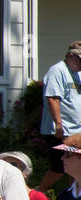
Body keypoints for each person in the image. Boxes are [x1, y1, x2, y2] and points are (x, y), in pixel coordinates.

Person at [41, 42, 81, 182]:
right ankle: (40, 193)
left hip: (76, 129)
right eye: (80, 59)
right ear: (70, 55)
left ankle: (75, 194)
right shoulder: (57, 71)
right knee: (59, 166)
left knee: (77, 165)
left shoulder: (77, 73)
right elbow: (52, 98)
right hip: (61, 130)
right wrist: (58, 124)